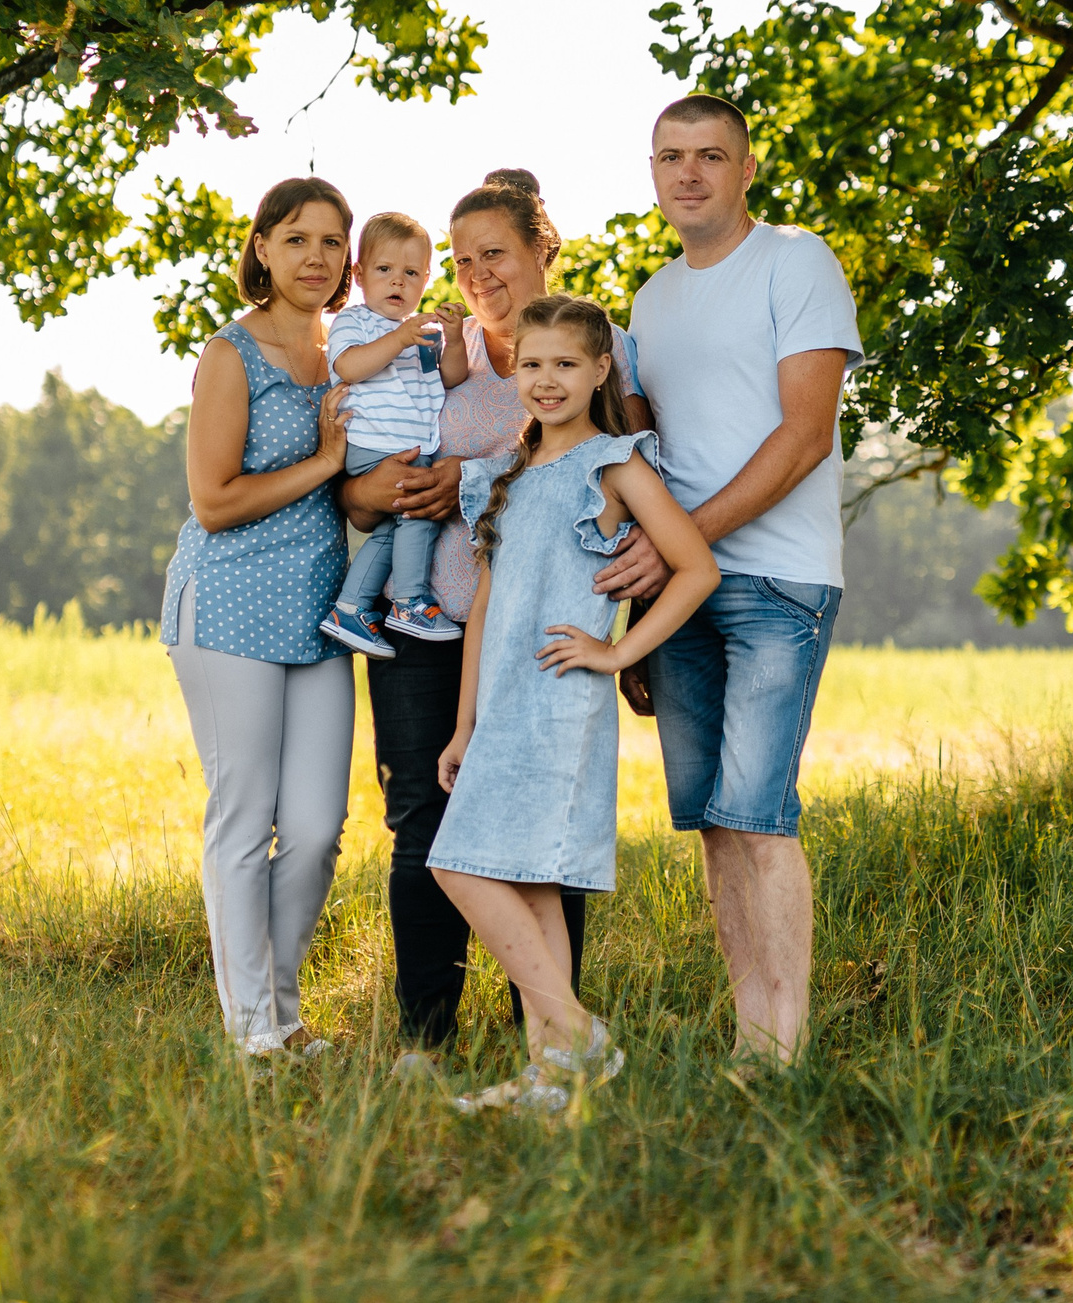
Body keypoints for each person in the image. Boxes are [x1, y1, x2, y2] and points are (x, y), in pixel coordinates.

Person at [338, 169, 652, 1057]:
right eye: (465, 259)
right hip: (429, 616)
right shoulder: (439, 349)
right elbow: (372, 468)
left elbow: (634, 467)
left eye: (497, 255)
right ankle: (426, 1040)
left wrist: (638, 606)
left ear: (542, 250)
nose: (479, 275)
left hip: (539, 635)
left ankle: (548, 1038)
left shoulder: (602, 346)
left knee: (538, 832)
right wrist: (392, 484)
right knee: (421, 823)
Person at [594, 94, 861, 1064]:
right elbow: (650, 453)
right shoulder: (653, 298)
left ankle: (781, 1052)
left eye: (711, 155)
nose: (690, 174)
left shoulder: (796, 261)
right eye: (671, 157)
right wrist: (644, 591)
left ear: (747, 168)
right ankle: (751, 1035)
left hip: (776, 579)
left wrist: (678, 545)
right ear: (653, 170)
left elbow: (803, 434)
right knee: (711, 819)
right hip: (680, 591)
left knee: (758, 812)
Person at [430, 294, 719, 1113]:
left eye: (565, 364)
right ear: (511, 370)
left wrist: (620, 650)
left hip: (560, 704)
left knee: (456, 862)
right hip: (503, 706)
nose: (546, 379)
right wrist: (463, 724)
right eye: (531, 364)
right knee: (532, 884)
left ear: (600, 370)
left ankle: (577, 1033)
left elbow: (695, 567)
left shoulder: (616, 462)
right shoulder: (506, 472)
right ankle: (551, 1076)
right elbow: (484, 608)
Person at [159, 176, 358, 1058]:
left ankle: (281, 1006)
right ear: (264, 250)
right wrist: (327, 463)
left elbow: (359, 482)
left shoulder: (348, 352)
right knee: (244, 820)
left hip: (320, 608)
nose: (317, 257)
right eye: (298, 239)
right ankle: (252, 1029)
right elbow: (213, 499)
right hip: (229, 600)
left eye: (332, 241)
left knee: (316, 828)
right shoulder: (229, 354)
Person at [319, 211, 470, 657]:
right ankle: (409, 601)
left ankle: (350, 608)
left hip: (407, 444)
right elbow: (349, 366)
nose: (397, 283)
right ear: (360, 274)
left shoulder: (423, 331)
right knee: (419, 516)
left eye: (410, 273)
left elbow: (449, 378)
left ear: (425, 279)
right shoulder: (355, 321)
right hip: (373, 442)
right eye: (384, 270)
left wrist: (455, 338)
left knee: (392, 529)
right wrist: (400, 338)